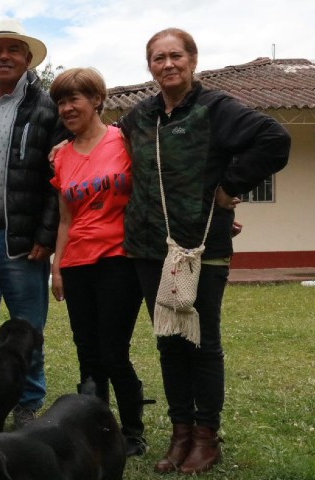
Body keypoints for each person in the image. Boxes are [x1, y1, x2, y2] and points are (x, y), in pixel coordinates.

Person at [119, 28, 290, 474]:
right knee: (169, 341)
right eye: (159, 58)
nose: (168, 64)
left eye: (176, 56)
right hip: (148, 248)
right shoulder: (139, 116)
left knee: (201, 340)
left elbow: (274, 140)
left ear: (193, 60)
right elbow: (108, 148)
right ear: (150, 66)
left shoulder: (216, 109)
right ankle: (179, 434)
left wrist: (230, 186)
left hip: (200, 248)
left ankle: (206, 436)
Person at [0, 18, 68, 428]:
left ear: (27, 58)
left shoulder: (47, 108)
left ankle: (27, 404)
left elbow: (57, 179)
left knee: (27, 333)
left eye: (13, 50)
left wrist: (45, 236)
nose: (3, 56)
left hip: (22, 243)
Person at [48, 67, 149, 456]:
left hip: (119, 260)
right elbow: (66, 217)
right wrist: (58, 267)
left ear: (96, 101)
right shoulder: (61, 156)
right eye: (60, 101)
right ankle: (99, 430)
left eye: (74, 99)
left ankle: (133, 431)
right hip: (76, 263)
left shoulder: (125, 140)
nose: (67, 108)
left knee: (113, 351)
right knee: (87, 352)